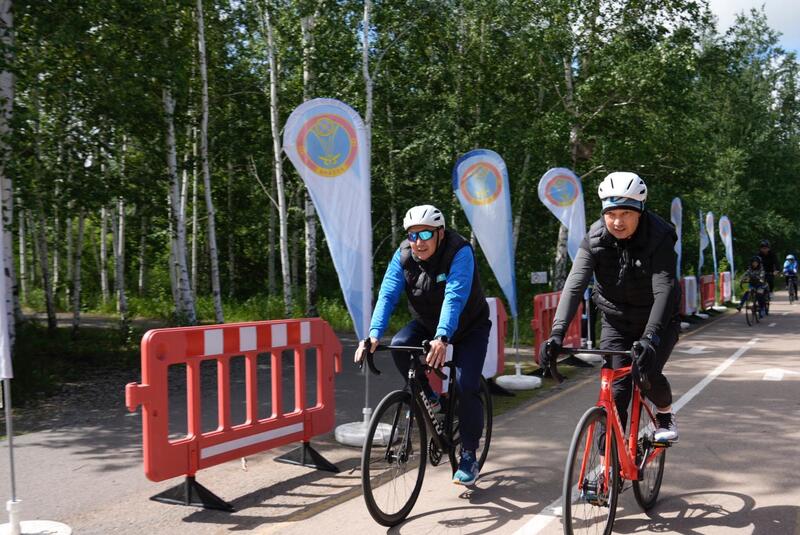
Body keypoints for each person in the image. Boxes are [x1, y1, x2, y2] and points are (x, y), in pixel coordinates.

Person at [353, 204, 491, 486]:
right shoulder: (403, 256)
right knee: (401, 344)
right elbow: (387, 294)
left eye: (425, 234)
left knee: (466, 385)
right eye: (413, 236)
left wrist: (442, 336)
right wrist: (374, 334)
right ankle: (431, 398)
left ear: (440, 233)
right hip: (428, 323)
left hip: (469, 326)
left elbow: (455, 295)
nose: (418, 242)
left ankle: (468, 455)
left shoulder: (459, 251)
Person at [539, 172, 680, 443]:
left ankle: (664, 413)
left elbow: (664, 288)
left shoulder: (660, 236)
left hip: (657, 318)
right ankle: (608, 467)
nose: (617, 221)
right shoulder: (595, 238)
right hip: (616, 319)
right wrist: (556, 333)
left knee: (646, 374)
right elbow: (575, 284)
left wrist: (650, 337)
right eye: (611, 213)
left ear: (640, 211)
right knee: (615, 393)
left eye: (626, 213)